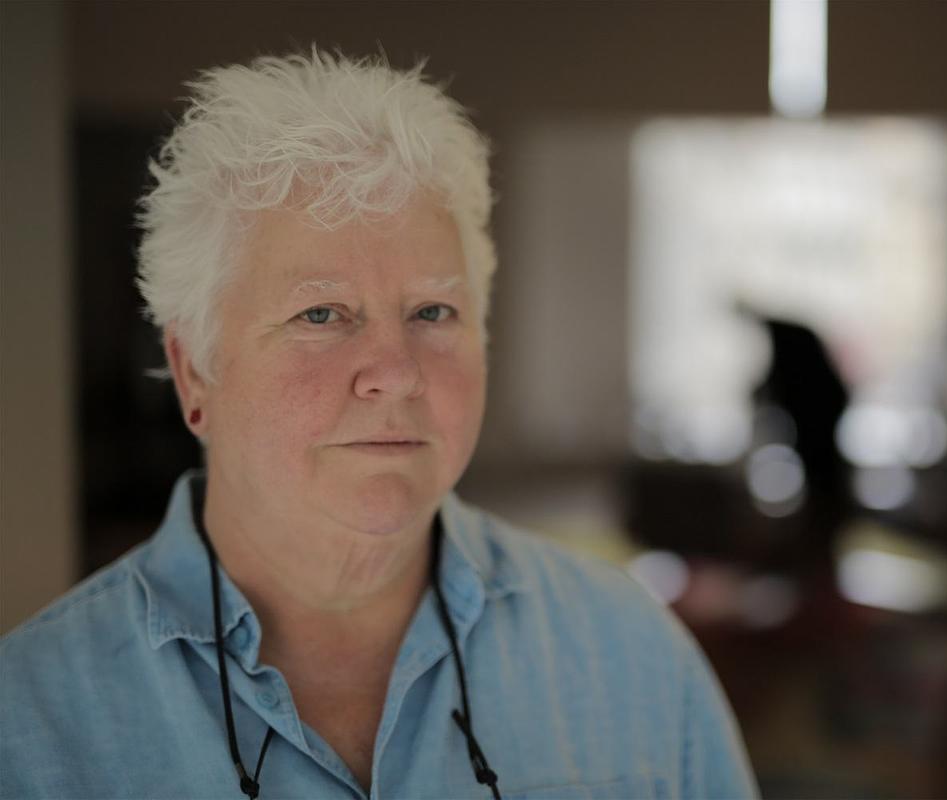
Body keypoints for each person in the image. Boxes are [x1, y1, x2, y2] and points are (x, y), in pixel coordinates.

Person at [0, 51, 757, 799]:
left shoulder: (632, 659)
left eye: (433, 311)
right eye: (321, 314)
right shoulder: (31, 719)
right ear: (195, 370)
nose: (396, 370)